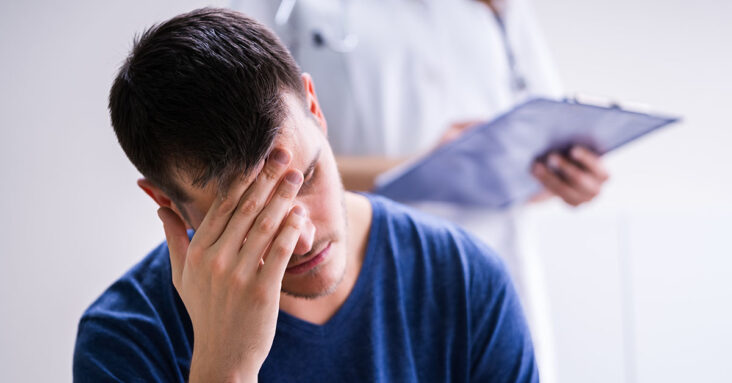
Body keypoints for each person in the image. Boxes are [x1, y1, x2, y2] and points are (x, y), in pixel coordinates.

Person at [73, 8, 539, 382]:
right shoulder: (124, 339)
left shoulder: (464, 278)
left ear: (314, 107)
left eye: (308, 176)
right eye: (248, 219)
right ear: (168, 203)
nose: (301, 237)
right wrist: (225, 369)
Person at [231, 1, 611, 380]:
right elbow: (257, 164)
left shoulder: (499, 9)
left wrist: (565, 173)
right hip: (361, 272)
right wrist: (423, 164)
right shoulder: (279, 7)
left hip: (489, 268)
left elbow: (544, 129)